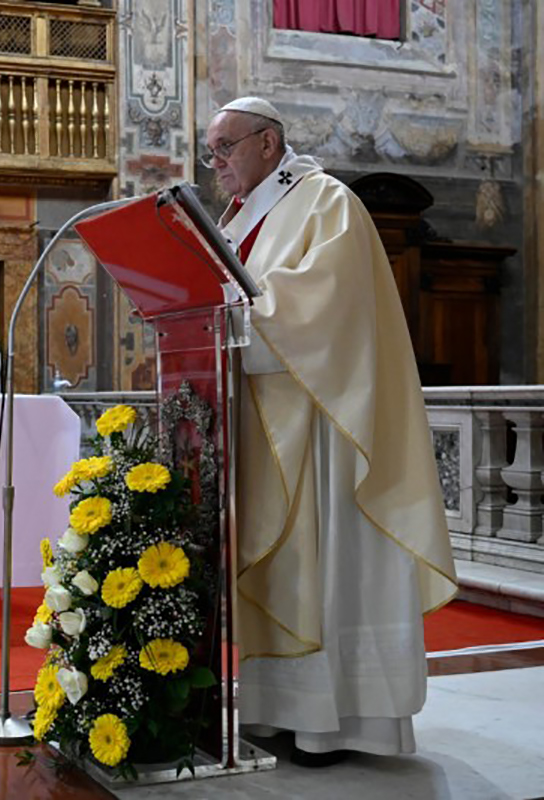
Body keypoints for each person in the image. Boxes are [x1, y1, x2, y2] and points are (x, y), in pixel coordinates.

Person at [207, 97, 457, 764]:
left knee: (324, 566)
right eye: (212, 152)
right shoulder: (235, 222)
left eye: (225, 147)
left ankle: (334, 720)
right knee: (282, 571)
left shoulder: (327, 204)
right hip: (262, 421)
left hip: (322, 424)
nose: (217, 163)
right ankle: (274, 709)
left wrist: (234, 313)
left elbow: (323, 305)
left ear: (268, 143)